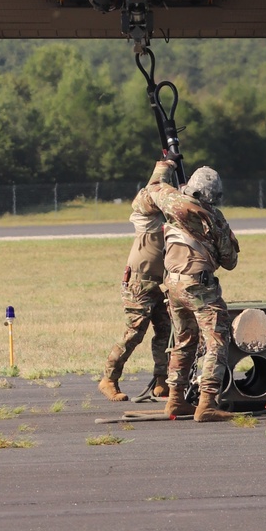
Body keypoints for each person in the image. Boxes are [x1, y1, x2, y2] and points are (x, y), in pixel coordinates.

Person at [135, 163, 240, 422]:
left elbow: (154, 187)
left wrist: (164, 165)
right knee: (216, 339)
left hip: (172, 284)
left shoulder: (172, 203)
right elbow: (230, 261)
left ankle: (176, 401)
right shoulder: (214, 217)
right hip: (198, 285)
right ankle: (207, 403)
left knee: (183, 341)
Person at [97, 158, 175, 403]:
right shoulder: (144, 217)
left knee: (167, 331)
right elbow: (153, 189)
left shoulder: (166, 220)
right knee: (134, 333)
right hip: (138, 284)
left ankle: (162, 381)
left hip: (158, 285)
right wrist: (164, 167)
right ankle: (109, 379)